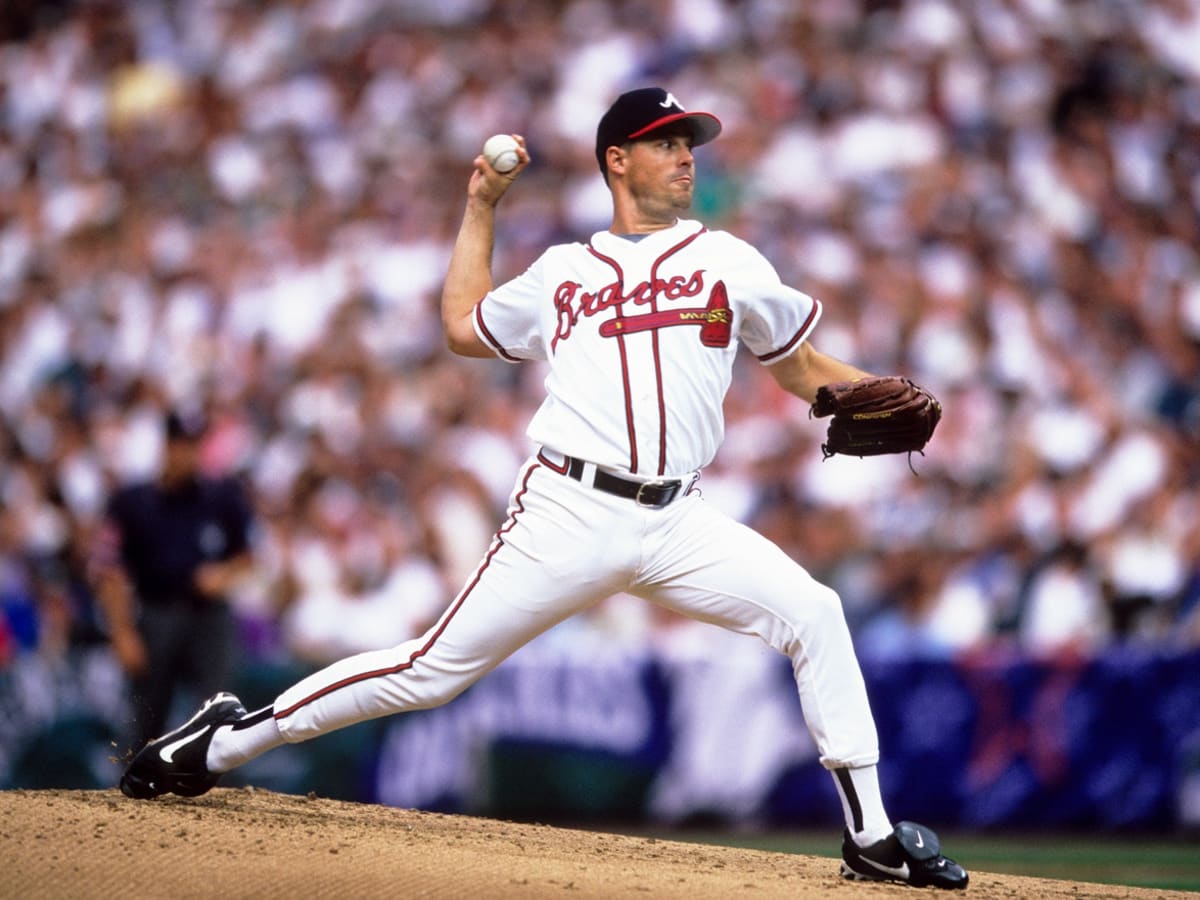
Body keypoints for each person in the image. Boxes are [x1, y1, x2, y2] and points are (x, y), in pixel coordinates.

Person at [120, 88, 967, 889]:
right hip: (569, 509)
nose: (686, 158)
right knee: (430, 673)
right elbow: (463, 327)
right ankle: (224, 743)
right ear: (616, 161)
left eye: (689, 145)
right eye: (665, 144)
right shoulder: (564, 271)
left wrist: (875, 387)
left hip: (680, 519)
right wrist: (481, 206)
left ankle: (871, 837)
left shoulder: (729, 261)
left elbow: (801, 366)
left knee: (814, 612)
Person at [94, 408, 256, 752]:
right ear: (167, 446)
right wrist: (122, 632)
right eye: (182, 445)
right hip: (157, 613)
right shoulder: (132, 502)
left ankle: (212, 780)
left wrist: (222, 575)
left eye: (194, 445)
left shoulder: (221, 497)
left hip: (209, 617)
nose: (189, 454)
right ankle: (134, 778)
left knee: (219, 713)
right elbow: (110, 571)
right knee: (146, 718)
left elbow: (247, 557)